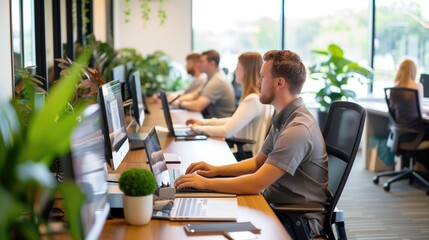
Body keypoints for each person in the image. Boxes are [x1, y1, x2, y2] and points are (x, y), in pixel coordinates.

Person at [174, 50, 330, 237]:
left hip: (296, 220)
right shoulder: (284, 118)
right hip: (276, 206)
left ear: (279, 82)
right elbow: (257, 163)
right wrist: (216, 170)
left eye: (263, 77)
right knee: (205, 221)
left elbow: (256, 183)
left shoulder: (297, 129)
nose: (257, 83)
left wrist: (206, 183)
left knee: (209, 230)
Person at [185, 52, 273, 158]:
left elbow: (226, 131)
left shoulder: (252, 100)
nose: (234, 71)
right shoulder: (256, 98)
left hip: (246, 156)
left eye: (237, 67)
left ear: (247, 71)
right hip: (245, 153)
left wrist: (198, 129)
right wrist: (203, 123)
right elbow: (233, 120)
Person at [171, 50, 236, 118]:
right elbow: (195, 95)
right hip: (211, 119)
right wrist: (173, 100)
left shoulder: (217, 81)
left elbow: (198, 106)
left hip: (217, 121)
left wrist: (179, 103)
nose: (198, 64)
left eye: (201, 62)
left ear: (212, 63)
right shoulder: (210, 78)